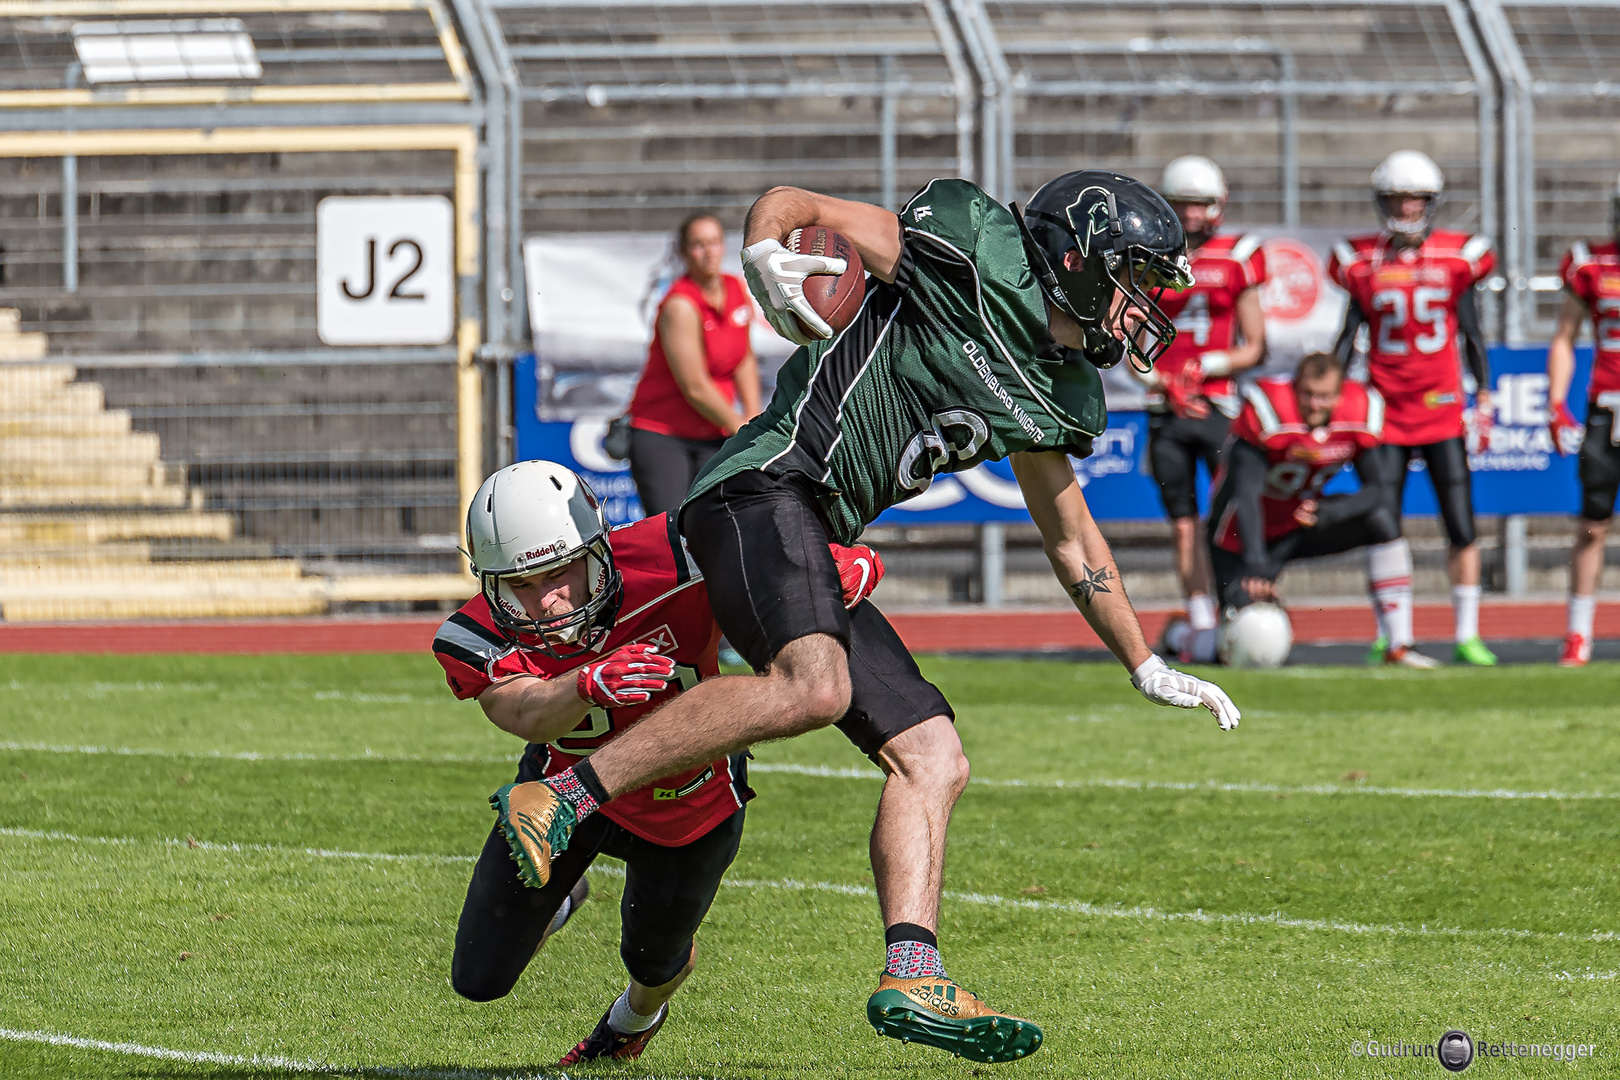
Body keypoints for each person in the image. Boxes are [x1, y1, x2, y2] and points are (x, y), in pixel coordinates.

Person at [485, 171, 1242, 1064]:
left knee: (935, 757)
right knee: (816, 686)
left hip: (817, 534)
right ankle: (563, 798)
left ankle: (914, 968)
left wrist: (1144, 663)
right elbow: (794, 200)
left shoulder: (1063, 390)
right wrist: (766, 254)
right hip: (759, 491)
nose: (1144, 306)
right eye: (1136, 280)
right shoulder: (971, 249)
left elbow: (1074, 541)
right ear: (1075, 259)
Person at [436, 460, 881, 1064]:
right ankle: (566, 894)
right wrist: (584, 685)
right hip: (562, 798)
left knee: (654, 961)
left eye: (561, 571)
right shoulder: (475, 634)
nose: (547, 600)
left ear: (596, 547)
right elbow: (520, 712)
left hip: (689, 799)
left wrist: (831, 571)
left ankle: (630, 1022)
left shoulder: (676, 552)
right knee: (477, 979)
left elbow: (778, 549)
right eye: (522, 585)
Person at [1329, 150, 1496, 668]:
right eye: (1398, 199)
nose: (1406, 209)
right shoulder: (1361, 264)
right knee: (1385, 521)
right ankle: (1392, 633)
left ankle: (1467, 634)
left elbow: (1470, 332)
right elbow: (1347, 335)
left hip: (1442, 407)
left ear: (1431, 202)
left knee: (1461, 525)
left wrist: (1484, 395)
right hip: (1385, 409)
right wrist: (1335, 397)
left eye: (1415, 199)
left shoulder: (1456, 258)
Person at [1159, 353, 1407, 663]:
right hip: (1240, 536)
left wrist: (1329, 514)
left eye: (1325, 396)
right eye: (1308, 394)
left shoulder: (1356, 413)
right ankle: (1180, 634)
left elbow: (1379, 491)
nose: (1315, 404)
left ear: (1340, 394)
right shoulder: (1269, 413)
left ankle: (1399, 643)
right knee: (1246, 644)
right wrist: (1256, 565)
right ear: (1295, 388)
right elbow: (1245, 496)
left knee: (1382, 521)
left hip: (1294, 527)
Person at [1140, 155, 1269, 635]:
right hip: (1165, 408)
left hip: (1217, 404)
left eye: (1199, 205)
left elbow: (1254, 346)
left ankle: (1237, 603)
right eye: (1181, 205)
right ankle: (1201, 622)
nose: (1190, 215)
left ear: (1217, 206)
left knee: (1232, 510)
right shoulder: (1143, 256)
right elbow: (1125, 341)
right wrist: (1160, 382)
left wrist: (1207, 366)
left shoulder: (1238, 254)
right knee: (1183, 523)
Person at [626, 213, 763, 515]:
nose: (708, 251)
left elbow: (743, 359)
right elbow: (695, 387)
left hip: (715, 434)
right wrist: (740, 426)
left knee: (719, 528)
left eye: (713, 242)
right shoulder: (679, 305)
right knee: (673, 532)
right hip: (663, 435)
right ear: (684, 252)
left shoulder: (735, 288)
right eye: (698, 245)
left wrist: (752, 417)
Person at [1545, 176, 1620, 666]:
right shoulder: (1592, 263)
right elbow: (1564, 337)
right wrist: (1556, 401)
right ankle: (1578, 633)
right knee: (1592, 525)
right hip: (1608, 406)